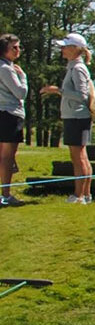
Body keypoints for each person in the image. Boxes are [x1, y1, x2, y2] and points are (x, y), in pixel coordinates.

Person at [41, 33, 95, 203]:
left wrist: (57, 90)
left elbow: (82, 95)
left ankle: (80, 195)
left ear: (75, 49)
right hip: (75, 116)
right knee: (81, 156)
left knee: (78, 158)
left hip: (77, 117)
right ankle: (84, 194)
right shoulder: (73, 67)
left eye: (65, 46)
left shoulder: (78, 68)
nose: (62, 50)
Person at [0, 34, 26, 205]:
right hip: (9, 114)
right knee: (7, 157)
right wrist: (23, 77)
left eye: (19, 47)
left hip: (4, 113)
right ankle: (6, 194)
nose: (18, 51)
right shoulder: (6, 69)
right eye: (14, 48)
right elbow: (20, 93)